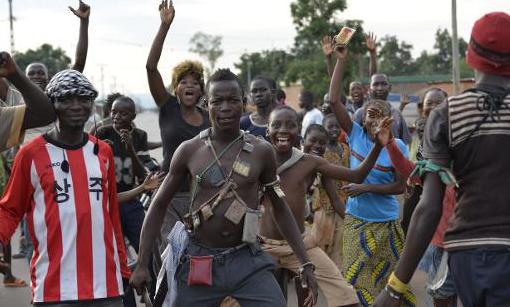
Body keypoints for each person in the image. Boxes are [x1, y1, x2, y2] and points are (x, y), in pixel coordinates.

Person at [130, 68, 319, 307]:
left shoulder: (261, 151)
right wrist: (142, 263)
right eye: (217, 101)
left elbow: (280, 207)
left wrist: (305, 262)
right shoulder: (189, 151)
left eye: (232, 100)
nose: (225, 107)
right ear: (206, 104)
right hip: (199, 259)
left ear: (243, 102)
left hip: (246, 259)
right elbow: (158, 205)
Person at [374, 12, 510, 307]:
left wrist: (395, 287)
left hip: (471, 254)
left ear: (469, 56)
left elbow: (429, 206)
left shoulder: (447, 115)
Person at [0, 69, 130, 306]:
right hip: (54, 291)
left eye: (83, 99)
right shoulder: (30, 155)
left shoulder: (103, 152)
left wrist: (123, 268)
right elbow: (9, 209)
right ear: (52, 104)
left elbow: (111, 216)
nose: (76, 105)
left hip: (107, 287)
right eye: (66, 99)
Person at [260, 105, 385, 307]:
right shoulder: (258, 159)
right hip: (263, 245)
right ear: (267, 130)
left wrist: (378, 146)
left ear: (299, 130)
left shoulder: (310, 162)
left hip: (300, 245)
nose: (283, 130)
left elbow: (357, 175)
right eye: (276, 125)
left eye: (290, 125)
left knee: (345, 295)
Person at [328, 46, 415, 306]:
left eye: (382, 116)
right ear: (362, 119)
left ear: (390, 120)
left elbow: (400, 187)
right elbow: (334, 100)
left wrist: (367, 188)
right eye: (370, 115)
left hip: (387, 223)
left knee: (391, 282)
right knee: (354, 279)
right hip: (357, 221)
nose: (376, 120)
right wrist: (339, 60)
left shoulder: (396, 146)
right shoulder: (354, 134)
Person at [146, 0, 210, 239]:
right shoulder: (168, 106)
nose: (189, 85)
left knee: (200, 254)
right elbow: (151, 67)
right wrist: (164, 26)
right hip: (169, 196)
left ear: (202, 91)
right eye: (184, 81)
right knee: (171, 253)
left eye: (195, 82)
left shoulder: (208, 119)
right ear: (176, 88)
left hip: (202, 196)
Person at [303, 122, 348, 270]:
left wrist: (351, 222)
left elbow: (335, 198)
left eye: (322, 143)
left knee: (336, 247)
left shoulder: (321, 166)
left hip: (340, 202)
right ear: (303, 141)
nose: (317, 145)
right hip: (282, 227)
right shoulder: (293, 161)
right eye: (313, 141)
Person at [352, 74, 411, 144]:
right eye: (375, 84)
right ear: (369, 88)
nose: (380, 88)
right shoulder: (360, 114)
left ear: (390, 87)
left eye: (384, 84)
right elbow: (354, 142)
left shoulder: (397, 114)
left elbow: (405, 143)